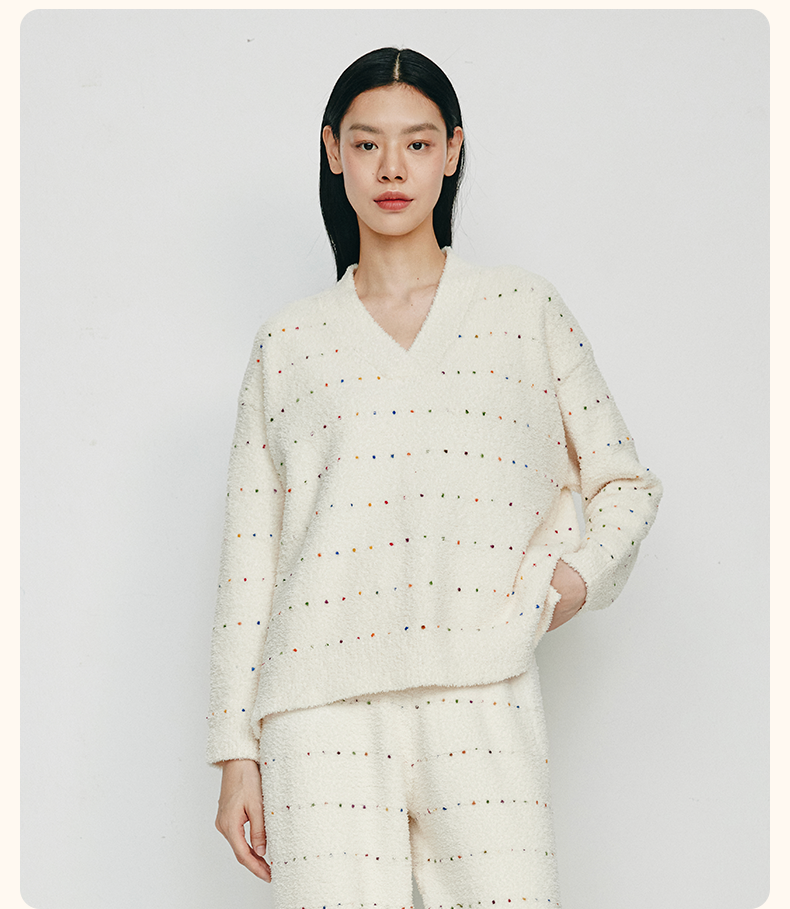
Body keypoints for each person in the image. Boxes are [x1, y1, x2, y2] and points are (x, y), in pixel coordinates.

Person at [207, 46, 662, 908]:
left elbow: (624, 485)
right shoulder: (289, 342)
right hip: (317, 713)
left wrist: (562, 585)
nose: (392, 168)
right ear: (334, 151)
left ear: (451, 151)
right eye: (367, 143)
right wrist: (236, 750)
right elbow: (249, 559)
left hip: (482, 690)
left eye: (417, 144)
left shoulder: (523, 310)